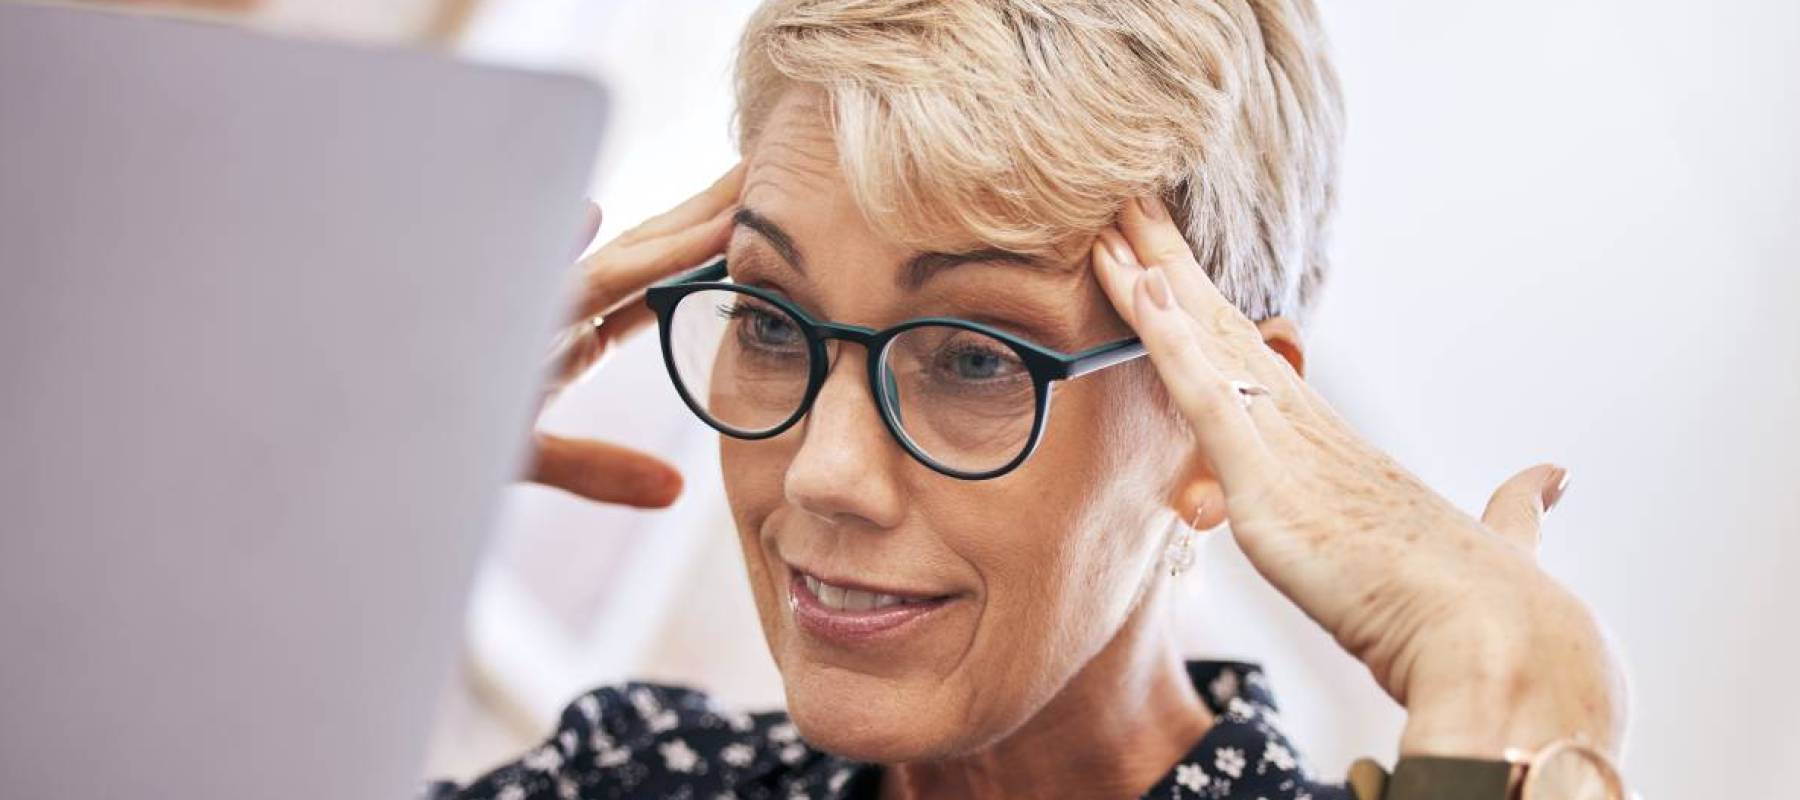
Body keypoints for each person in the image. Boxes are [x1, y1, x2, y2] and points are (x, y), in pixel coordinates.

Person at [433, 1, 1628, 797]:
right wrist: (360, 472)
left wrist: (1511, 696)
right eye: (768, 318)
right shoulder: (639, 772)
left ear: (1223, 426)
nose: (821, 471)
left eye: (974, 357)